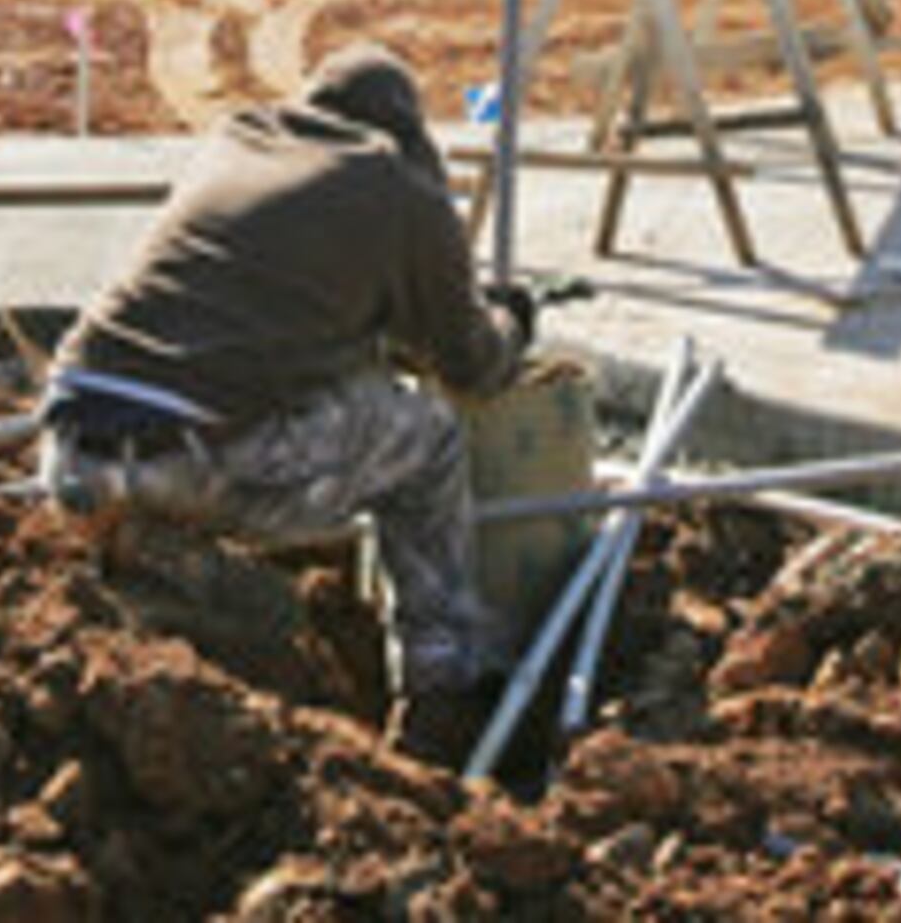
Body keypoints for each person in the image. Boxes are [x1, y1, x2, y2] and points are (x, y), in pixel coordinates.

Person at [36, 49, 536, 752]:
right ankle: (442, 685)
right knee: (429, 438)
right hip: (202, 454)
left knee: (296, 410)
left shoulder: (239, 141)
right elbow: (472, 366)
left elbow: (271, 315)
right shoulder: (397, 190)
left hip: (70, 452)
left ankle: (162, 550)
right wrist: (511, 319)